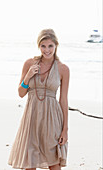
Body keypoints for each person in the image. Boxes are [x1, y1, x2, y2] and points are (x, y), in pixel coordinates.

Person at [8, 29, 70, 170]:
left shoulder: (63, 69)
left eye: (50, 46)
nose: (47, 50)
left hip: (52, 119)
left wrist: (65, 129)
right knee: (30, 163)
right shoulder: (29, 63)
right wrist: (28, 76)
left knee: (54, 163)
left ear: (56, 46)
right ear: (38, 46)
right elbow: (21, 93)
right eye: (43, 46)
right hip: (31, 118)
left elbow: (64, 100)